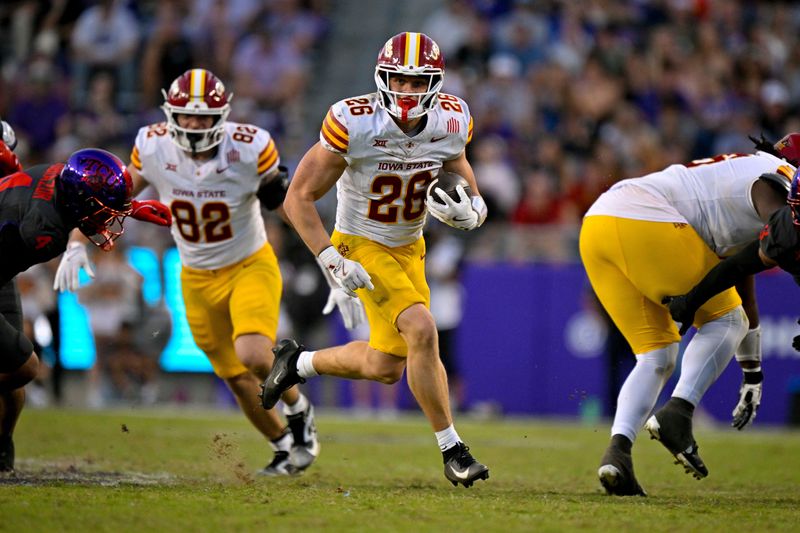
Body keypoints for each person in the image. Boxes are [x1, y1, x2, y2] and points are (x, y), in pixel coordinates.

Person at [55, 68, 363, 476]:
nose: (196, 125)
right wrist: (77, 240)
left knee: (253, 354)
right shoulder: (153, 146)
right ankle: (283, 447)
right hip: (196, 276)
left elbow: (286, 208)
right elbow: (112, 196)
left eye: (204, 116)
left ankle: (298, 408)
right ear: (171, 114)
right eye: (188, 116)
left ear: (223, 115)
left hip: (248, 265)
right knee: (234, 378)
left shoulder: (249, 147)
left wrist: (329, 262)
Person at [259, 32, 491, 488]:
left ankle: (297, 363)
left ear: (434, 83)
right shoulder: (354, 121)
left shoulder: (452, 117)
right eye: (398, 80)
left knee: (386, 367)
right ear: (382, 79)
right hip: (360, 243)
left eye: (415, 81)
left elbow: (458, 160)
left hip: (411, 246)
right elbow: (297, 199)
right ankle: (453, 450)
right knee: (423, 327)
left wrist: (476, 206)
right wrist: (331, 259)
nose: (406, 90)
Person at [579, 133, 800, 496]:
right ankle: (677, 414)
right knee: (728, 320)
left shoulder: (738, 175)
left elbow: (742, 277)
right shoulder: (777, 176)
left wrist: (752, 372)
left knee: (656, 355)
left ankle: (617, 453)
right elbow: (780, 234)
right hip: (646, 219)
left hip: (600, 223)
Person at [0, 135, 170, 472]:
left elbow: (82, 205)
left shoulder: (65, 179)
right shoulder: (43, 229)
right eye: (106, 212)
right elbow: (66, 223)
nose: (109, 220)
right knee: (25, 366)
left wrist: (131, 207)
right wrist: (74, 244)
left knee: (13, 368)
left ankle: (1, 449)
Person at [662, 163, 800, 414]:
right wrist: (691, 301)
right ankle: (679, 407)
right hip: (689, 205)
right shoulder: (782, 231)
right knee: (730, 318)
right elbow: (738, 269)